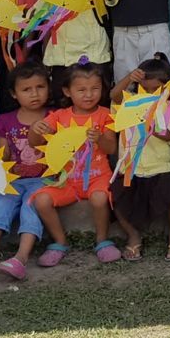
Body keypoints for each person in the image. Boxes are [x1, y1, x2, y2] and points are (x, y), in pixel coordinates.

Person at [28, 62, 121, 265]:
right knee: (42, 200)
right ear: (67, 91)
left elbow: (112, 149)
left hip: (99, 176)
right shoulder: (59, 116)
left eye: (95, 89)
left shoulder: (106, 114)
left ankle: (102, 240)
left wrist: (99, 139)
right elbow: (34, 143)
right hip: (67, 181)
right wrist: (36, 129)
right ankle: (60, 242)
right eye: (81, 90)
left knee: (98, 198)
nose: (89, 95)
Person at [0, 63, 51, 285]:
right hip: (11, 180)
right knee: (0, 209)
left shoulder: (55, 117)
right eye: (26, 89)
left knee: (30, 207)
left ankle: (20, 259)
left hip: (43, 179)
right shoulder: (4, 121)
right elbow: (3, 154)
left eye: (40, 87)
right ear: (14, 94)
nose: (34, 94)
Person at [109, 56, 170, 261]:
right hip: (132, 168)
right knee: (115, 197)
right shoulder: (130, 103)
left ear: (167, 87)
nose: (151, 93)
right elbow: (114, 95)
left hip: (161, 166)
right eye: (145, 88)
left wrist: (152, 130)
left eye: (155, 89)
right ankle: (133, 235)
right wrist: (129, 78)